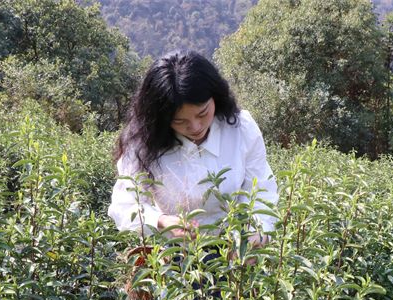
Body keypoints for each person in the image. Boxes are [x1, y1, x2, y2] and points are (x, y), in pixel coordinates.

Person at [108, 50, 278, 246]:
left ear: (215, 97)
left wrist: (257, 235)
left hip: (234, 250)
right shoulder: (144, 142)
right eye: (180, 121)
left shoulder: (241, 129)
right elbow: (124, 205)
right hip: (174, 254)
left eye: (202, 113)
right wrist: (161, 221)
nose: (195, 127)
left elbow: (262, 190)